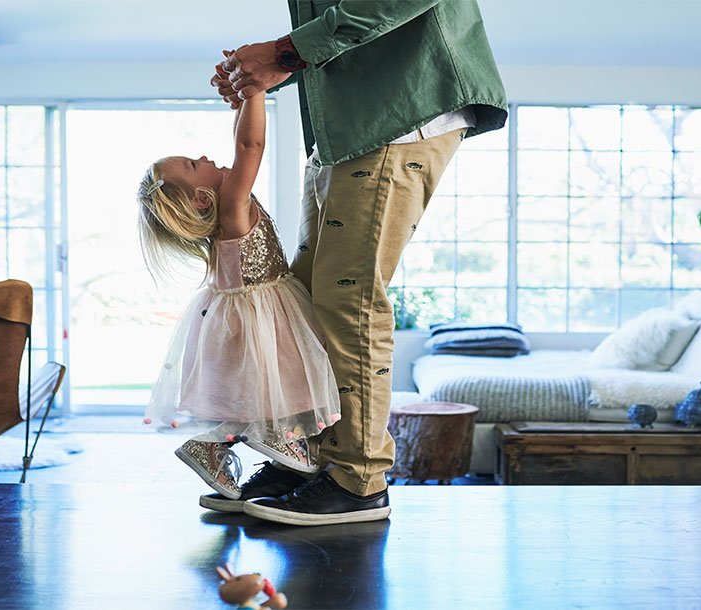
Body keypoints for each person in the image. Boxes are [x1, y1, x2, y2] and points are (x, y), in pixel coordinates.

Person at [207, 0, 508, 526]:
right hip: (348, 126)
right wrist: (275, 65)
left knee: (350, 299)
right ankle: (313, 462)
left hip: (396, 113)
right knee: (309, 298)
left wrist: (285, 53)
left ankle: (358, 480)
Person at [137, 90, 341, 502]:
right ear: (199, 197)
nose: (207, 158)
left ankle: (211, 446)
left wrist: (241, 106)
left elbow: (240, 137)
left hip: (237, 317)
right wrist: (255, 90)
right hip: (261, 316)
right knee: (280, 383)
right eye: (196, 165)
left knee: (259, 391)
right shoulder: (233, 202)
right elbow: (250, 145)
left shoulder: (221, 214)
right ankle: (272, 438)